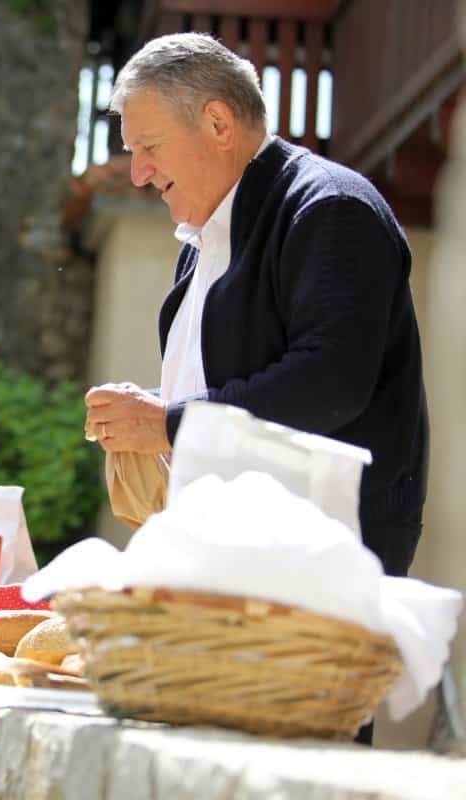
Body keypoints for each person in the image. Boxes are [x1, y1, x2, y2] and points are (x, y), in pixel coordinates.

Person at [84, 33, 427, 580]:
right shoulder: (209, 232)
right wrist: (149, 411)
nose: (138, 174)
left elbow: (329, 382)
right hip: (231, 553)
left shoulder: (331, 207)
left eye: (149, 147)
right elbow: (240, 384)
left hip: (320, 563)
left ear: (219, 124)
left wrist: (168, 423)